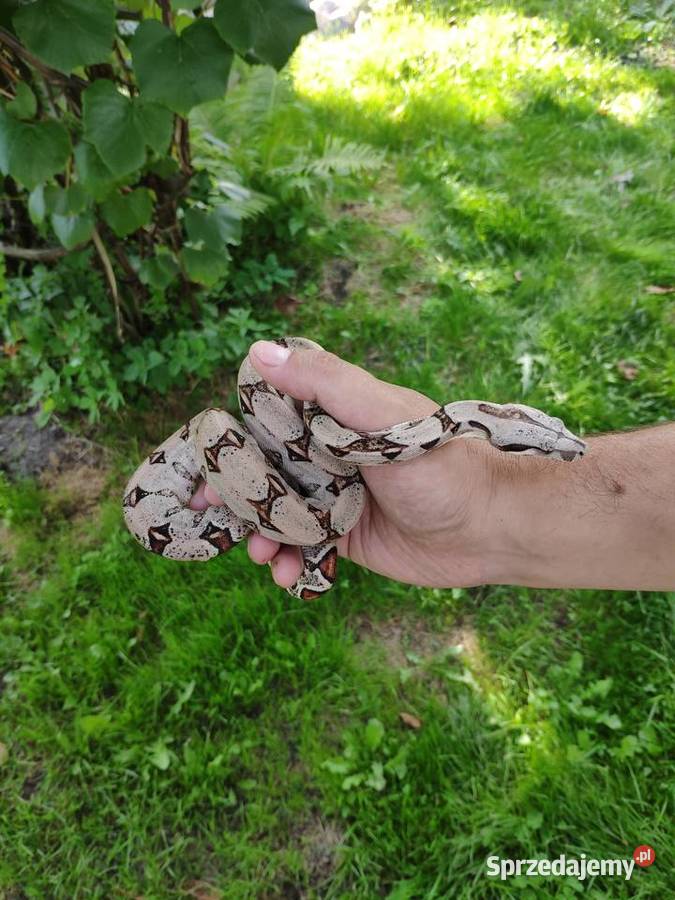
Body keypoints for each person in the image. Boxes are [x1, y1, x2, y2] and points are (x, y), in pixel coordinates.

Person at [190, 340, 675, 592]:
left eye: (543, 445)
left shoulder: (444, 427)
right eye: (546, 444)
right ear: (501, 425)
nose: (561, 450)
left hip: (332, 503)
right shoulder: (427, 433)